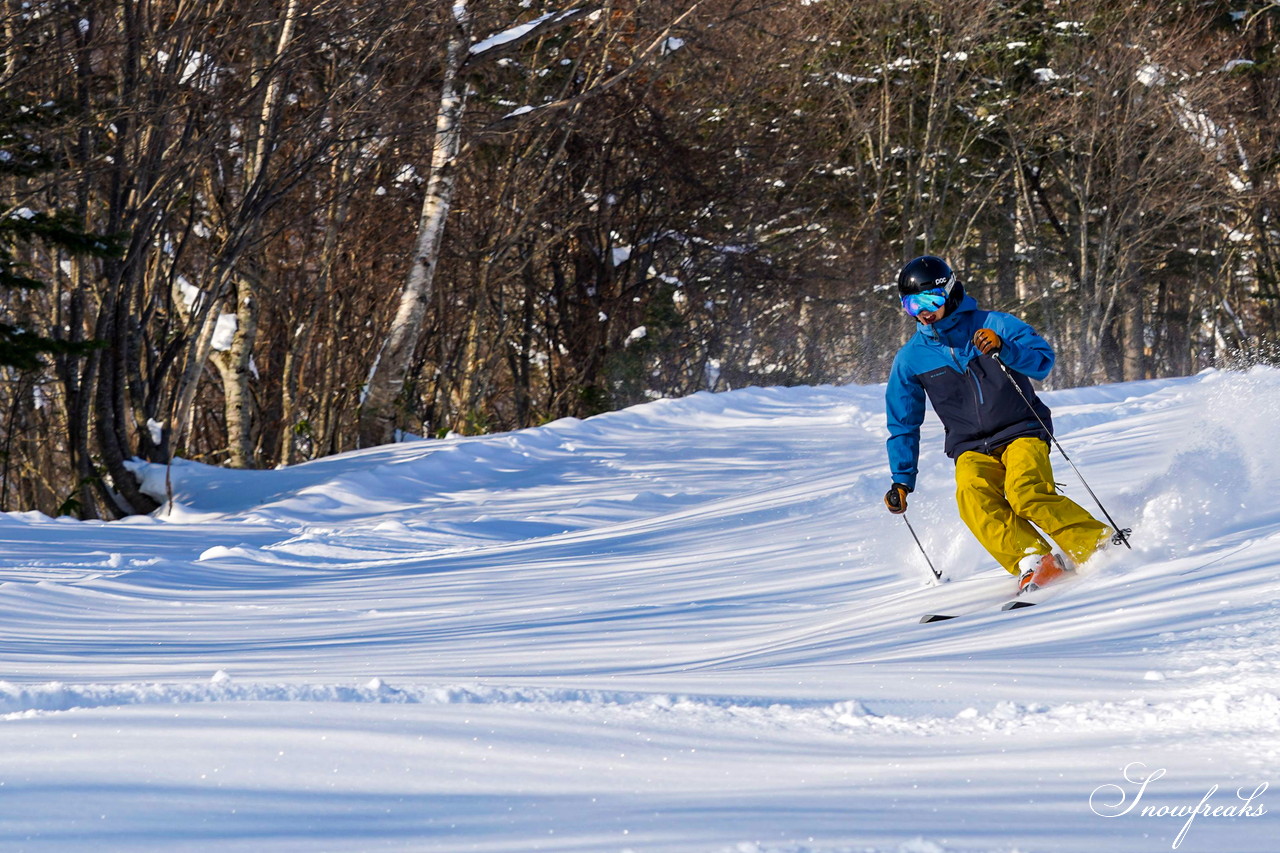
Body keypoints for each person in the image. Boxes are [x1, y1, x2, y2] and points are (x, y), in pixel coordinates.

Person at [882, 255, 1111, 593]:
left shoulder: (994, 324)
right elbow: (903, 422)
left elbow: (1042, 361)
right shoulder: (911, 358)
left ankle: (1097, 545)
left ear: (948, 291)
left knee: (1025, 493)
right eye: (911, 304)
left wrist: (1006, 348)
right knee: (971, 494)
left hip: (1021, 429)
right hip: (970, 445)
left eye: (930, 300)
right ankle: (1034, 559)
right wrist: (902, 480)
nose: (923, 312)